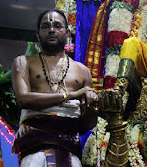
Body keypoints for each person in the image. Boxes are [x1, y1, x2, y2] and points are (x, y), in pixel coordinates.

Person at [12, 9, 99, 166]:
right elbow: (23, 99)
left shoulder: (83, 71)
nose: (51, 30)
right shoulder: (23, 62)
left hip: (69, 151)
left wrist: (93, 107)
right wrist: (72, 95)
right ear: (37, 34)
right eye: (46, 26)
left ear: (67, 33)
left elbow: (85, 126)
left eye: (57, 26)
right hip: (34, 149)